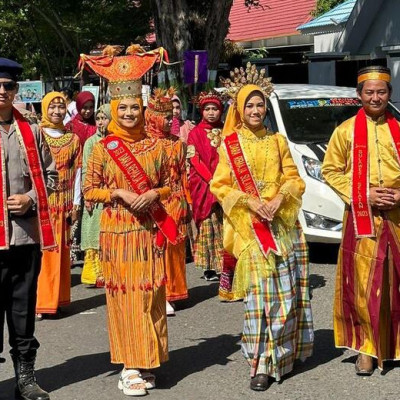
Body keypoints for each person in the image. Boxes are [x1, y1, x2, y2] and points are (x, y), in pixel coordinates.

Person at [81, 45, 177, 397]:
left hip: (149, 230)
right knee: (125, 298)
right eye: (123, 107)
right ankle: (129, 365)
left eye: (135, 106)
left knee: (151, 293)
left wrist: (155, 195)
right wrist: (119, 194)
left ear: (143, 107)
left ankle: (149, 357)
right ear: (112, 108)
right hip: (118, 231)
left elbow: (173, 185)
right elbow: (89, 191)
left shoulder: (157, 147)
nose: (129, 112)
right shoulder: (102, 147)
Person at [210, 77, 314, 391]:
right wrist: (251, 202)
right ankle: (259, 364)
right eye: (249, 105)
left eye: (260, 105)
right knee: (258, 302)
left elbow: (294, 179)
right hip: (250, 230)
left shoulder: (278, 141)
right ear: (239, 110)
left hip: (282, 227)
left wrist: (280, 198)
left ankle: (280, 357)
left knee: (284, 300)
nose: (256, 110)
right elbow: (220, 186)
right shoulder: (229, 146)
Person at [322, 65, 400, 375]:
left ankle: (394, 345)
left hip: (396, 216)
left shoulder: (398, 128)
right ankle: (366, 349)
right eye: (369, 92)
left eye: (381, 92)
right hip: (362, 219)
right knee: (364, 286)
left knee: (395, 283)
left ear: (389, 94)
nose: (376, 97)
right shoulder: (345, 132)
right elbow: (330, 171)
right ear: (359, 95)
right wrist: (363, 194)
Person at [0, 58, 57, 400]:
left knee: (22, 312)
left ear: (16, 90)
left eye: (7, 86)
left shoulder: (32, 132)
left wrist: (31, 199)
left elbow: (51, 176)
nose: (1, 92)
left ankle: (25, 378)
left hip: (23, 237)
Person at [35, 92, 82, 319]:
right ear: (45, 109)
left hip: (64, 204)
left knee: (62, 253)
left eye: (60, 107)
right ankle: (42, 301)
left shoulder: (73, 139)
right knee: (44, 254)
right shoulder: (37, 135)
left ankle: (59, 299)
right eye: (52, 107)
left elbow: (79, 172)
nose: (56, 111)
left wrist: (76, 202)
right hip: (42, 203)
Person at [145, 88, 189, 316]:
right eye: (165, 117)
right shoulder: (143, 143)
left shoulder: (178, 144)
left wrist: (186, 203)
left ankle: (173, 291)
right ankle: (158, 291)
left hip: (176, 201)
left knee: (174, 248)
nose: (169, 121)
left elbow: (182, 175)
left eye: (171, 117)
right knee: (156, 247)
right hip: (154, 203)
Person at [187, 91, 225, 282]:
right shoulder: (195, 133)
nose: (211, 113)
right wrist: (210, 179)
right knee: (208, 224)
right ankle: (209, 266)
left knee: (223, 224)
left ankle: (224, 264)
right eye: (207, 109)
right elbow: (194, 158)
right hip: (204, 184)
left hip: (224, 183)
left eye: (215, 109)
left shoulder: (227, 130)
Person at [81, 104, 111, 287]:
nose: (101, 122)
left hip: (113, 192)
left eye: (104, 117)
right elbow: (86, 169)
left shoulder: (118, 140)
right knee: (94, 232)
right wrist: (88, 194)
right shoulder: (91, 142)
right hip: (96, 192)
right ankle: (95, 275)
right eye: (98, 118)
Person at [66, 91, 96, 266]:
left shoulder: (97, 125)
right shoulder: (71, 126)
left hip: (93, 173)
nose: (88, 111)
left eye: (91, 107)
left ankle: (88, 249)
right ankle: (71, 250)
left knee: (89, 212)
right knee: (75, 211)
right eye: (84, 107)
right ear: (78, 106)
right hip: (75, 174)